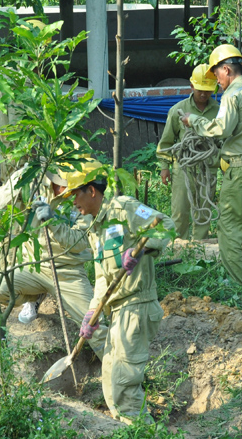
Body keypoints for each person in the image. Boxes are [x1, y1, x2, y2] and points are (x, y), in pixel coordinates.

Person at [62, 160, 174, 424]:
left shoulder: (123, 208)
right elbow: (102, 277)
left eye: (75, 194)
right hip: (117, 313)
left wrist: (143, 249)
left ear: (92, 191)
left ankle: (143, 432)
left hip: (137, 306)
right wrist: (93, 310)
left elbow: (166, 224)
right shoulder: (95, 229)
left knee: (124, 386)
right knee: (111, 384)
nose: (72, 202)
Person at [0, 164, 107, 358]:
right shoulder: (35, 181)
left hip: (67, 271)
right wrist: (19, 177)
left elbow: (78, 242)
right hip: (32, 264)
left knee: (95, 326)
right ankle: (34, 296)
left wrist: (53, 221)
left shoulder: (83, 194)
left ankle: (122, 376)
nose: (64, 189)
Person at [181, 44, 242, 285]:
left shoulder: (233, 95)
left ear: (226, 70)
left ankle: (238, 289)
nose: (216, 83)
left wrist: (194, 121)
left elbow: (221, 129)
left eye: (217, 76)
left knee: (229, 229)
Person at [156, 63, 219, 240]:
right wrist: (164, 166)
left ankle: (200, 247)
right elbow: (166, 141)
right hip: (183, 167)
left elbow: (223, 141)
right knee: (180, 211)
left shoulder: (220, 111)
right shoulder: (178, 110)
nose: (203, 94)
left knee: (204, 210)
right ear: (191, 86)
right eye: (200, 89)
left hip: (208, 167)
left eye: (207, 90)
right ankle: (178, 247)